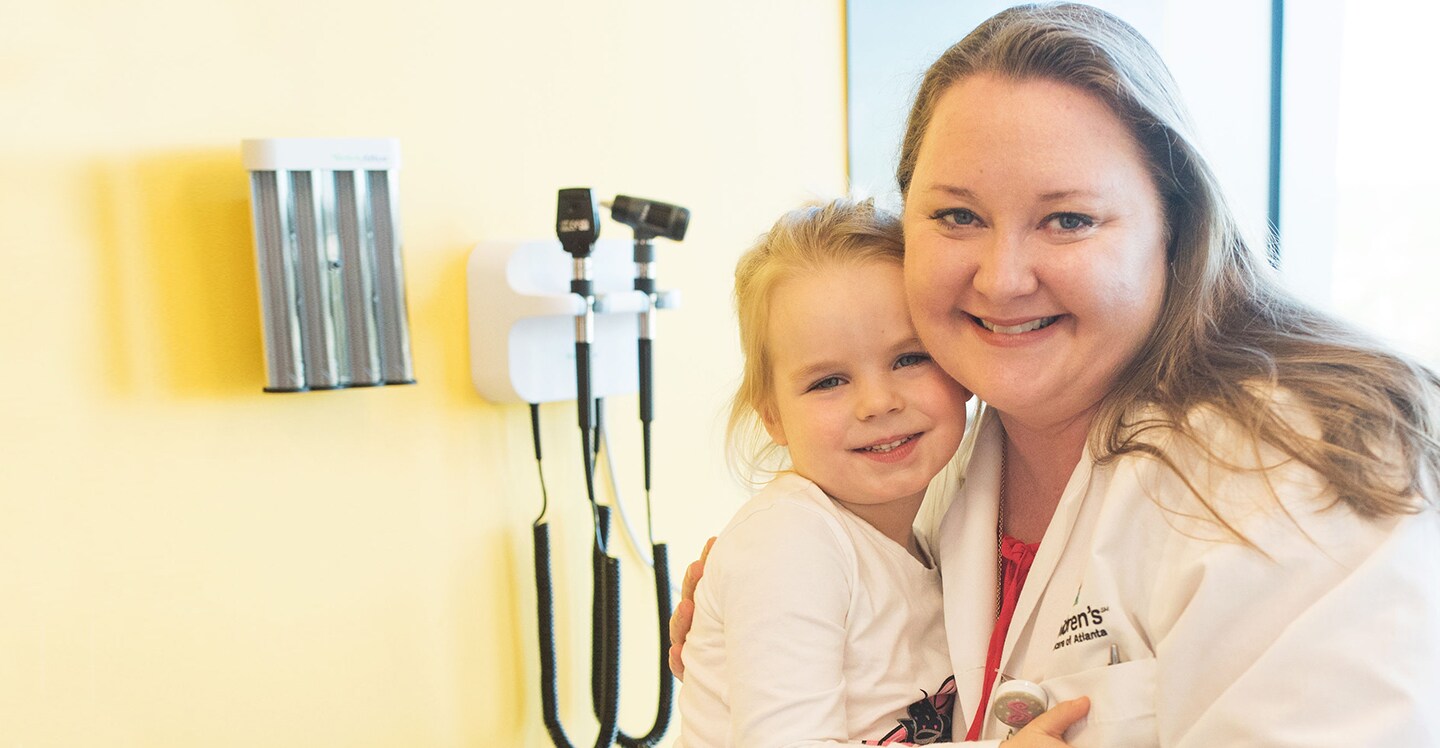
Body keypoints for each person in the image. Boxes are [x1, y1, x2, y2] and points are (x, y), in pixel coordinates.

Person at [672, 4, 1440, 746]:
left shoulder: (1307, 475)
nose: (1002, 279)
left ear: (1174, 228)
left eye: (1069, 219)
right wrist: (771, 615)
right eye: (958, 216)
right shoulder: (926, 486)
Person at [674, 198, 1087, 747]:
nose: (877, 402)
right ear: (772, 415)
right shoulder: (790, 541)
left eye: (908, 359)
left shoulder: (927, 540)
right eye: (828, 381)